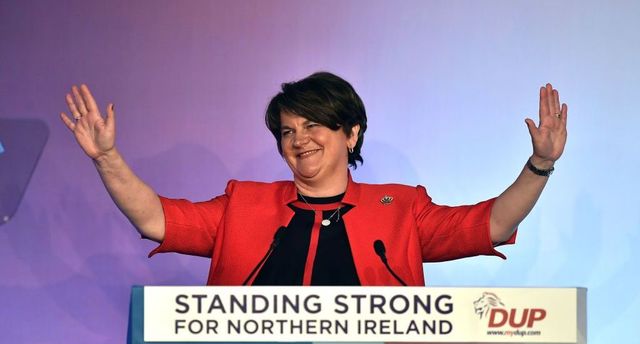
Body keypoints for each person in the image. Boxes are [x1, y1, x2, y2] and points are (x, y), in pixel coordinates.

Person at [60, 72, 567, 286]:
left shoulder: (401, 210)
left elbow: (490, 224)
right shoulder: (245, 205)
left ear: (351, 133)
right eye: (287, 131)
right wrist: (107, 157)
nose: (298, 139)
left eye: (313, 126)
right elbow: (156, 219)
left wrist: (539, 166)